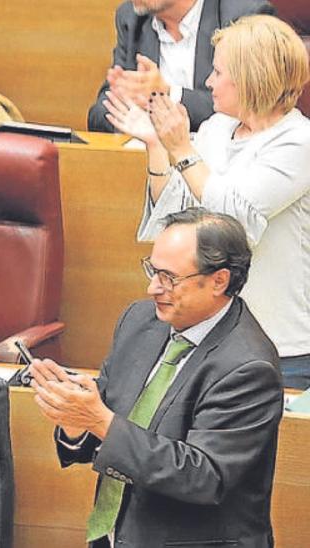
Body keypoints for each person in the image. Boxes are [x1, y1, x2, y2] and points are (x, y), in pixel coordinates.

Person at [29, 208, 283, 547]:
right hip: (117, 535)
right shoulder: (140, 322)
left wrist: (99, 421)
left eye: (169, 277)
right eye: (152, 270)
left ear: (219, 280)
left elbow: (204, 476)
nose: (153, 288)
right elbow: (108, 408)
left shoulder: (249, 367)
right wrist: (75, 421)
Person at [106, 14, 310, 389]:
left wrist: (181, 148)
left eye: (218, 72)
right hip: (208, 335)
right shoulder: (216, 128)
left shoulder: (298, 142)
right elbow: (174, 219)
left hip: (281, 344)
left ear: (251, 78)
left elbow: (234, 224)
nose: (207, 82)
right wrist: (157, 146)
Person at [86, 0, 273, 133]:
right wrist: (130, 109)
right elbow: (101, 112)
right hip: (150, 165)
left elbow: (249, 107)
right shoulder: (131, 17)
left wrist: (167, 95)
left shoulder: (241, 16)